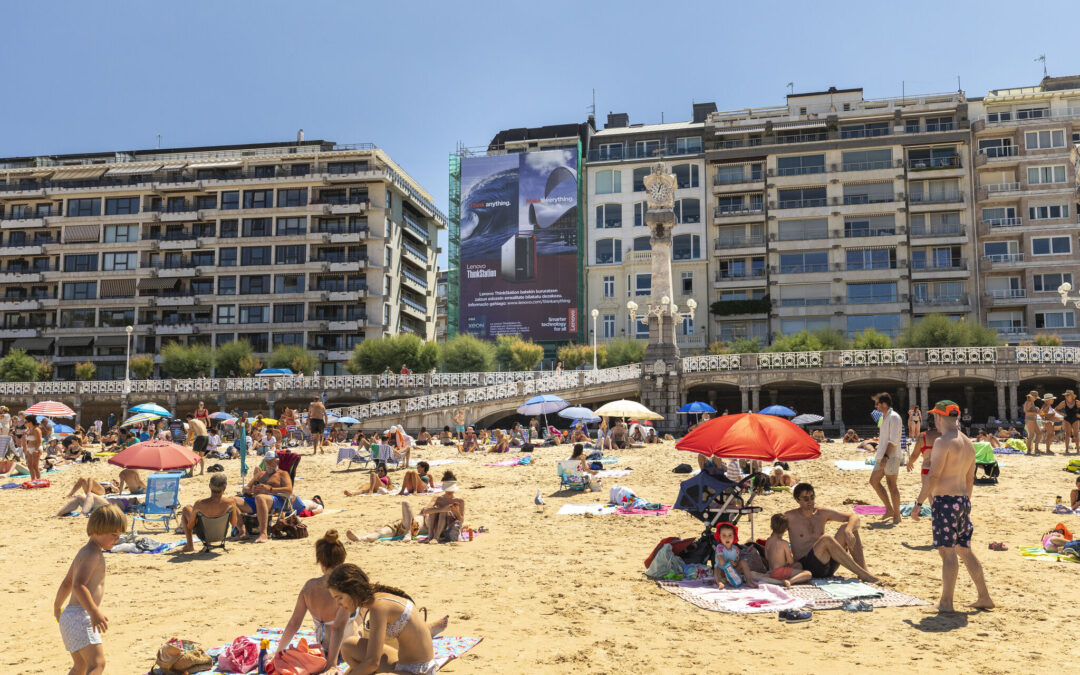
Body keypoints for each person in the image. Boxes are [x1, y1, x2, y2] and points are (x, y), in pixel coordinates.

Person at [910, 400, 994, 612]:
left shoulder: (942, 441)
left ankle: (946, 602)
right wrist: (966, 502)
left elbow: (934, 475)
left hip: (945, 501)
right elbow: (970, 478)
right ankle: (984, 597)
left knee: (947, 552)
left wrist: (919, 503)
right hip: (963, 500)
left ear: (938, 417)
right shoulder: (967, 442)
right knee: (964, 550)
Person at [54, 504, 126, 675]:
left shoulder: (84, 551)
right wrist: (94, 611)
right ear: (96, 531)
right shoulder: (93, 554)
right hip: (80, 616)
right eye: (113, 535)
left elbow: (67, 582)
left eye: (119, 536)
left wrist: (57, 608)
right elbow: (78, 585)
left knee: (81, 667)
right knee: (97, 665)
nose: (117, 539)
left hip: (69, 617)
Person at [327, 564, 438, 674]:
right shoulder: (377, 597)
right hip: (403, 664)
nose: (338, 604)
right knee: (348, 646)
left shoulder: (378, 608)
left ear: (353, 591)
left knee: (370, 667)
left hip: (420, 671)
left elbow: (373, 662)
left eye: (340, 598)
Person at [276, 530, 354, 667]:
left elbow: (294, 623)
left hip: (323, 646)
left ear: (320, 562)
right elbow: (338, 628)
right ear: (342, 559)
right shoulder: (345, 587)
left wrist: (279, 651)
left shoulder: (309, 586)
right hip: (348, 646)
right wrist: (332, 664)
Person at [785, 483, 878, 583]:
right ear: (797, 500)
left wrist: (848, 530)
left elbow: (854, 517)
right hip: (808, 567)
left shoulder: (821, 513)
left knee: (847, 528)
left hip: (829, 565)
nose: (810, 501)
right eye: (806, 499)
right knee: (826, 539)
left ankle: (864, 571)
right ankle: (864, 575)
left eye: (812, 497)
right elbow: (775, 537)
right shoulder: (790, 517)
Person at [237, 450, 293, 543]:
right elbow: (245, 488)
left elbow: (289, 490)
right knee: (232, 501)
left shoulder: (283, 474)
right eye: (266, 461)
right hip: (256, 500)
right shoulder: (261, 474)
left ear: (277, 461)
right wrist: (252, 490)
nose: (267, 463)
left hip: (275, 499)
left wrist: (269, 490)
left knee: (260, 497)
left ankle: (263, 533)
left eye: (270, 461)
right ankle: (242, 532)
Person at [180, 473, 244, 552]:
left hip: (203, 535)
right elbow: (234, 523)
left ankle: (189, 546)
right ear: (224, 488)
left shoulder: (199, 504)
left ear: (209, 486)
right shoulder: (230, 503)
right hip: (220, 535)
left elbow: (190, 526)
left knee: (186, 509)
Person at [870, 392, 903, 524]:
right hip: (883, 454)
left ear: (884, 404)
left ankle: (897, 515)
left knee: (892, 485)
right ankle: (889, 509)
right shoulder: (884, 417)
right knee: (874, 481)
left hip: (891, 456)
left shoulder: (894, 417)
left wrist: (886, 456)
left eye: (877, 403)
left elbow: (893, 440)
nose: (875, 406)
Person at [763, 514, 812, 587]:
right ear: (786, 529)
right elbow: (790, 561)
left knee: (798, 565)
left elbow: (767, 557)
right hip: (780, 572)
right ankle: (789, 581)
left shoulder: (768, 540)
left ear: (771, 527)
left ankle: (786, 577)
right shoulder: (784, 543)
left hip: (771, 571)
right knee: (808, 574)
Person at [419, 472, 464, 544]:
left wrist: (457, 511)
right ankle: (430, 536)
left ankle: (436, 537)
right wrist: (441, 509)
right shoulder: (438, 498)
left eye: (451, 489)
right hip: (435, 526)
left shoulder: (460, 501)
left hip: (449, 527)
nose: (450, 491)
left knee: (443, 511)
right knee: (436, 510)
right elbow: (425, 511)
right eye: (448, 489)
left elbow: (461, 521)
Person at [712, 522, 757, 588]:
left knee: (743, 562)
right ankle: (719, 582)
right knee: (716, 569)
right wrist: (728, 565)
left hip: (732, 573)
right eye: (724, 535)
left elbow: (737, 560)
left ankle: (749, 581)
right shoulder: (720, 547)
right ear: (720, 537)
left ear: (734, 537)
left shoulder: (736, 549)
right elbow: (720, 558)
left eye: (730, 535)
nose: (727, 538)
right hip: (722, 571)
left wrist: (735, 563)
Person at [1058, 390, 1080, 454]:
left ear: (1072, 396)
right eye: (1065, 395)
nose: (1066, 396)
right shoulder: (1063, 402)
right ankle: (1067, 449)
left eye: (1068, 395)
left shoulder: (1077, 402)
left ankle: (1078, 450)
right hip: (1067, 419)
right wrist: (1062, 414)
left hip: (1075, 419)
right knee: (1067, 434)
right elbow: (1056, 409)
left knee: (1076, 434)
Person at [24, 415, 43, 481]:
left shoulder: (36, 430)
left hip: (36, 448)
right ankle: (33, 479)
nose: (25, 423)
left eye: (26, 422)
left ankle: (38, 480)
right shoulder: (29, 429)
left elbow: (39, 441)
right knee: (29, 466)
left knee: (35, 466)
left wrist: (36, 450)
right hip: (30, 448)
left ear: (30, 422)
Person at [1023, 390, 1042, 455]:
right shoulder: (1029, 402)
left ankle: (1035, 449)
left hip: (1032, 419)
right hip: (1030, 419)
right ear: (1031, 397)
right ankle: (1029, 450)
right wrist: (1036, 412)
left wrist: (1036, 412)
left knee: (1039, 433)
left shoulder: (1031, 402)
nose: (1036, 398)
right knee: (1032, 435)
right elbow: (1026, 412)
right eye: (1035, 397)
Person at [235, 412, 250, 480]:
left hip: (244, 430)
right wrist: (238, 425)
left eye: (246, 415)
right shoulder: (241, 418)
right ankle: (243, 468)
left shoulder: (247, 420)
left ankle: (243, 468)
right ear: (243, 414)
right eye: (245, 414)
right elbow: (236, 423)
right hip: (240, 430)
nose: (245, 415)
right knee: (242, 441)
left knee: (244, 442)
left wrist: (247, 425)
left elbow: (247, 427)